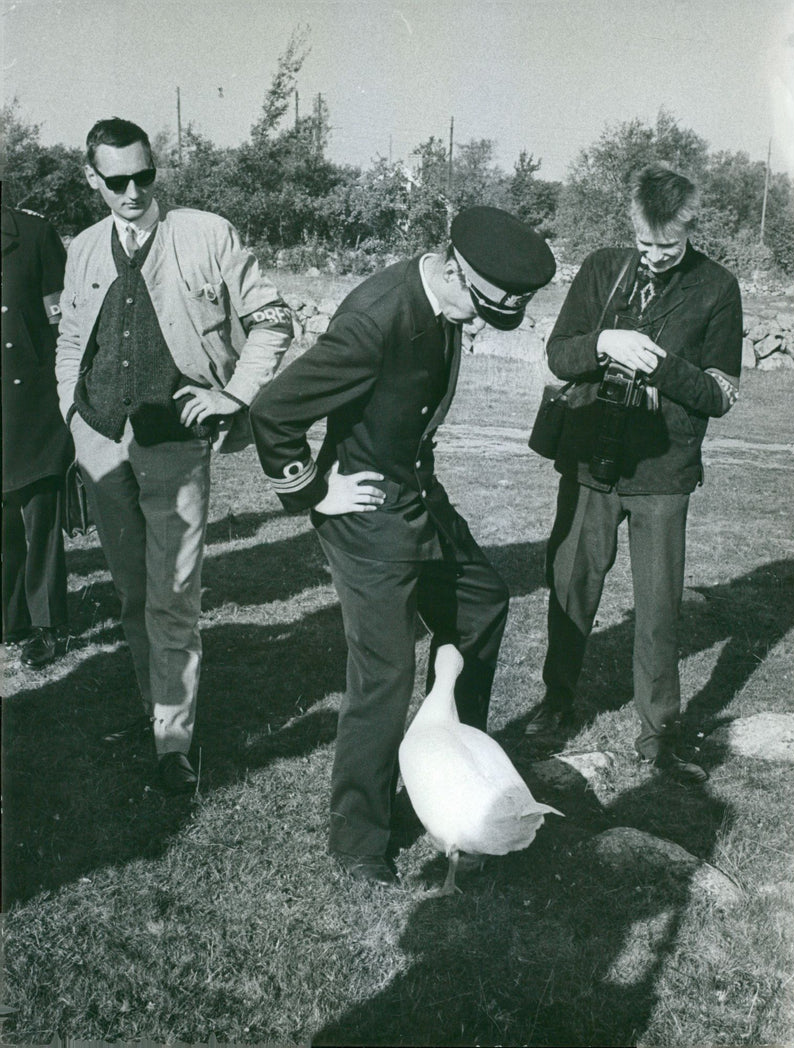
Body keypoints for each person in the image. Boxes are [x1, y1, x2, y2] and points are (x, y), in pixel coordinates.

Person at [250, 206, 556, 883]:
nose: (479, 323)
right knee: (384, 674)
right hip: (365, 515)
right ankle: (359, 839)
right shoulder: (376, 318)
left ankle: (455, 772)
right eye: (481, 308)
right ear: (454, 269)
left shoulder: (444, 301)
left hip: (418, 492)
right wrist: (309, 492)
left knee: (482, 602)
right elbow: (272, 410)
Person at [55, 118, 293, 794]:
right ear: (92, 179)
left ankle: (173, 744)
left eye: (144, 176)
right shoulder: (85, 247)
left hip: (177, 446)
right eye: (116, 181)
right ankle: (156, 711)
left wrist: (236, 395)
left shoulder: (206, 234)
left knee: (174, 598)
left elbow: (274, 320)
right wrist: (72, 416)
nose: (133, 192)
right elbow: (72, 338)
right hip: (101, 439)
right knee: (133, 594)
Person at [524, 164, 743, 785]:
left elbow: (722, 396)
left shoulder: (718, 287)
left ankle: (660, 730)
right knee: (571, 587)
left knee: (658, 607)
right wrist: (605, 344)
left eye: (666, 246)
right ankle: (557, 701)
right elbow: (559, 354)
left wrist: (663, 367)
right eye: (643, 243)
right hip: (590, 465)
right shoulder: (601, 268)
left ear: (690, 229)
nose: (651, 258)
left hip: (664, 474)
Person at [2, 205, 73, 667]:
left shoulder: (33, 232)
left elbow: (64, 322)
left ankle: (47, 626)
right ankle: (11, 621)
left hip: (31, 402)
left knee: (39, 515)